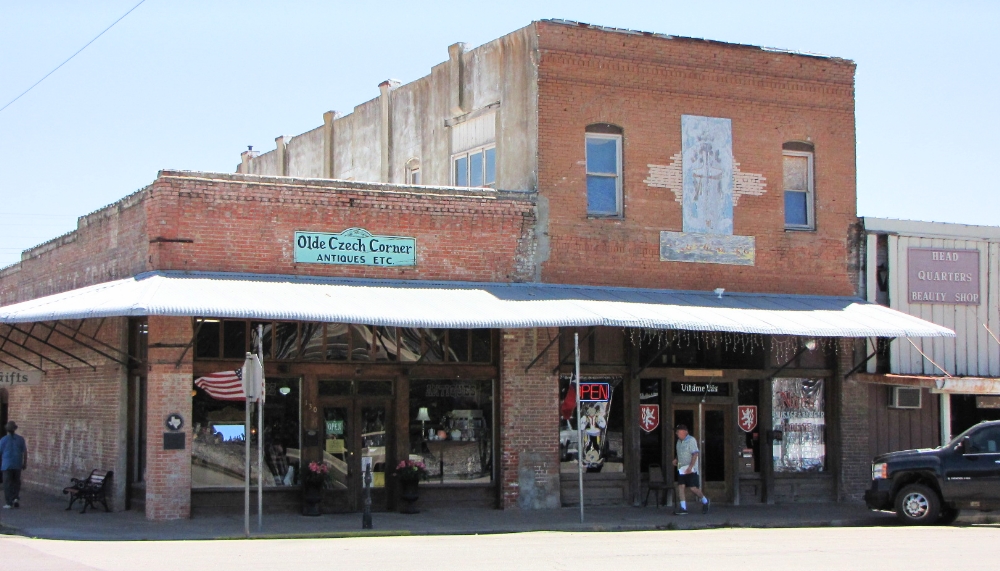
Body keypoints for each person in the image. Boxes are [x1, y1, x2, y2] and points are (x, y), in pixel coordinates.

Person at [671, 424, 709, 515]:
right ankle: (683, 508)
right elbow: (680, 453)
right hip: (681, 468)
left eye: (678, 431)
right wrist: (676, 459)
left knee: (693, 488)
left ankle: (705, 501)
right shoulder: (679, 442)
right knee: (681, 486)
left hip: (691, 469)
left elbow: (695, 454)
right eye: (676, 431)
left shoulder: (691, 440)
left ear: (685, 432)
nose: (677, 433)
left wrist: (690, 467)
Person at [0, 420, 28, 509]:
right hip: (17, 463)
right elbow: (25, 452)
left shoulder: (3, 440)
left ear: (7, 430)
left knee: (7, 484)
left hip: (6, 465)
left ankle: (9, 502)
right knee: (16, 482)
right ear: (15, 429)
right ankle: (15, 498)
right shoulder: (20, 439)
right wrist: (24, 463)